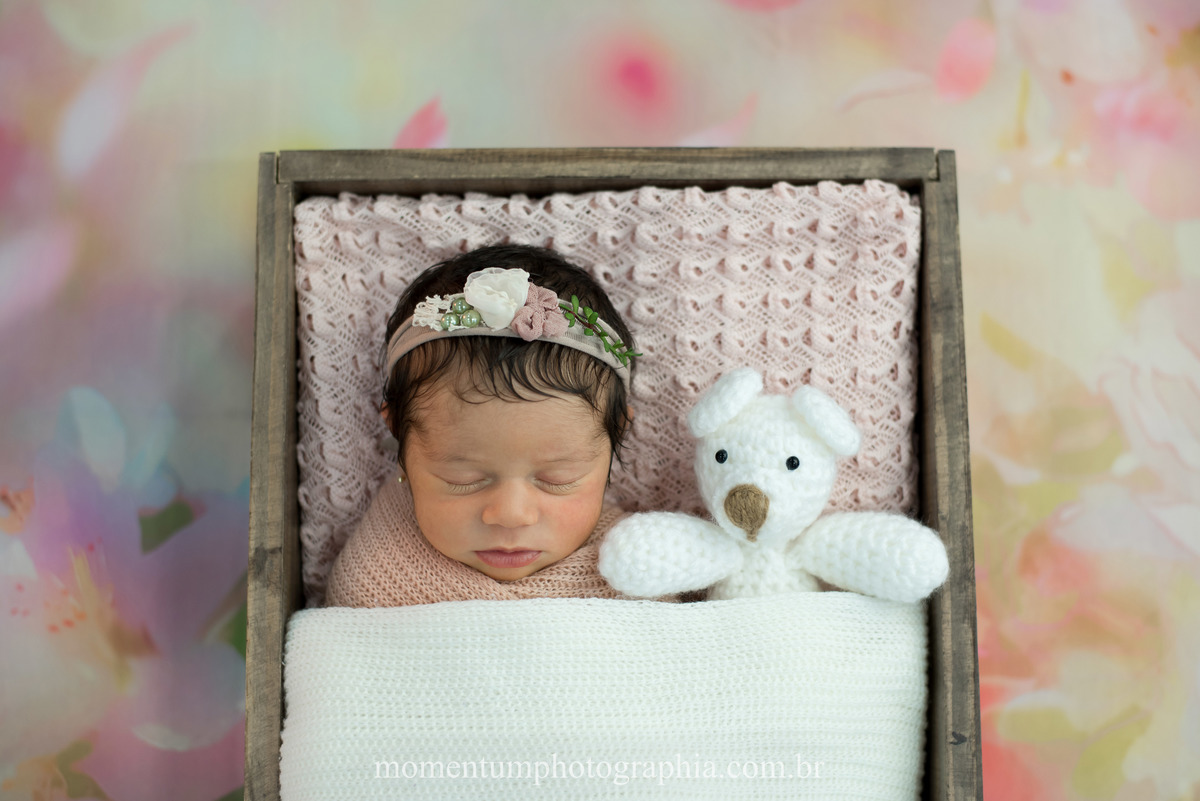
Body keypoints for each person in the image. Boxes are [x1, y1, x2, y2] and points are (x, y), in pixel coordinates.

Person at [325, 244, 641, 607]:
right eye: (464, 479)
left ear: (616, 432)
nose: (511, 515)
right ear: (398, 432)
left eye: (558, 478)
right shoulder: (376, 580)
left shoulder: (638, 565)